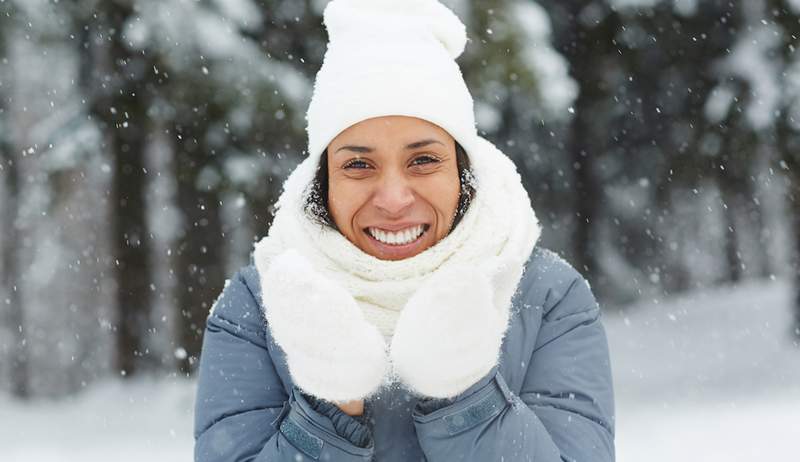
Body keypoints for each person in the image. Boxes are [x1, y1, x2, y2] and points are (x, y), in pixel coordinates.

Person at [193, 0, 615, 460]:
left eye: (424, 160)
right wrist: (329, 406)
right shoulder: (259, 304)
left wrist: (463, 391)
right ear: (323, 181)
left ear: (463, 171)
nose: (393, 198)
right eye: (358, 164)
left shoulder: (547, 297)